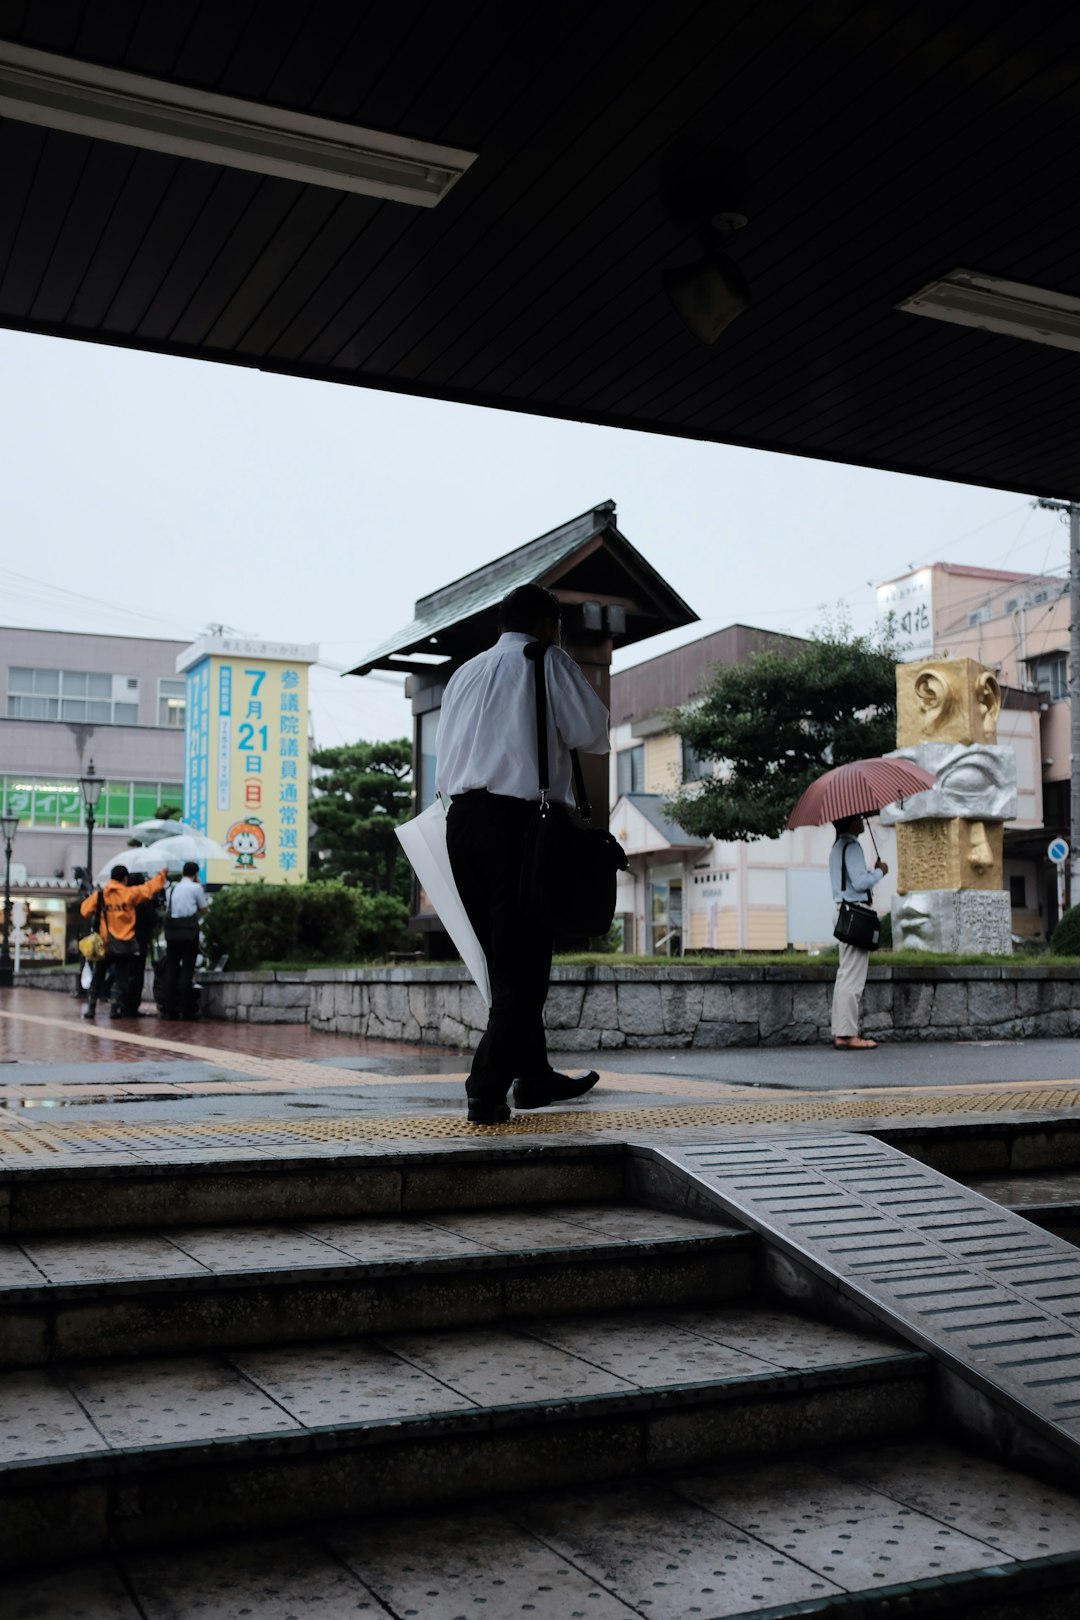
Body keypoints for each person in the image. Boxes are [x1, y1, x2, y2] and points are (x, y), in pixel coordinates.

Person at [436, 583, 611, 1125]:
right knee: (525, 970)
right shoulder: (545, 659)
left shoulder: (465, 672)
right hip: (519, 826)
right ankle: (485, 1088)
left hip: (460, 825)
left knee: (505, 963)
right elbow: (592, 731)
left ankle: (533, 1078)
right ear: (547, 624)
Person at [829, 815, 887, 1050]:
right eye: (859, 818)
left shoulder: (837, 848)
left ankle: (841, 1031)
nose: (863, 821)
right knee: (853, 978)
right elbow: (861, 882)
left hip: (843, 912)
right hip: (856, 913)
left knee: (845, 975)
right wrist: (880, 872)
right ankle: (847, 1034)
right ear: (851, 822)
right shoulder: (852, 846)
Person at [80, 864, 167, 1020]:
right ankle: (114, 1008)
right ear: (125, 879)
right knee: (121, 978)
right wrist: (162, 874)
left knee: (98, 975)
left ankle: (91, 1008)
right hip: (124, 944)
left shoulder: (100, 895)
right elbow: (148, 888)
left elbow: (84, 910)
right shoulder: (130, 894)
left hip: (105, 944)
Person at [161, 861, 208, 1020]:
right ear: (195, 874)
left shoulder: (172, 888)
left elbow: (169, 908)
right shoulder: (196, 888)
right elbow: (204, 909)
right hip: (189, 933)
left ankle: (169, 1010)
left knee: (172, 969)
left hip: (172, 933)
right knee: (187, 971)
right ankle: (186, 1010)